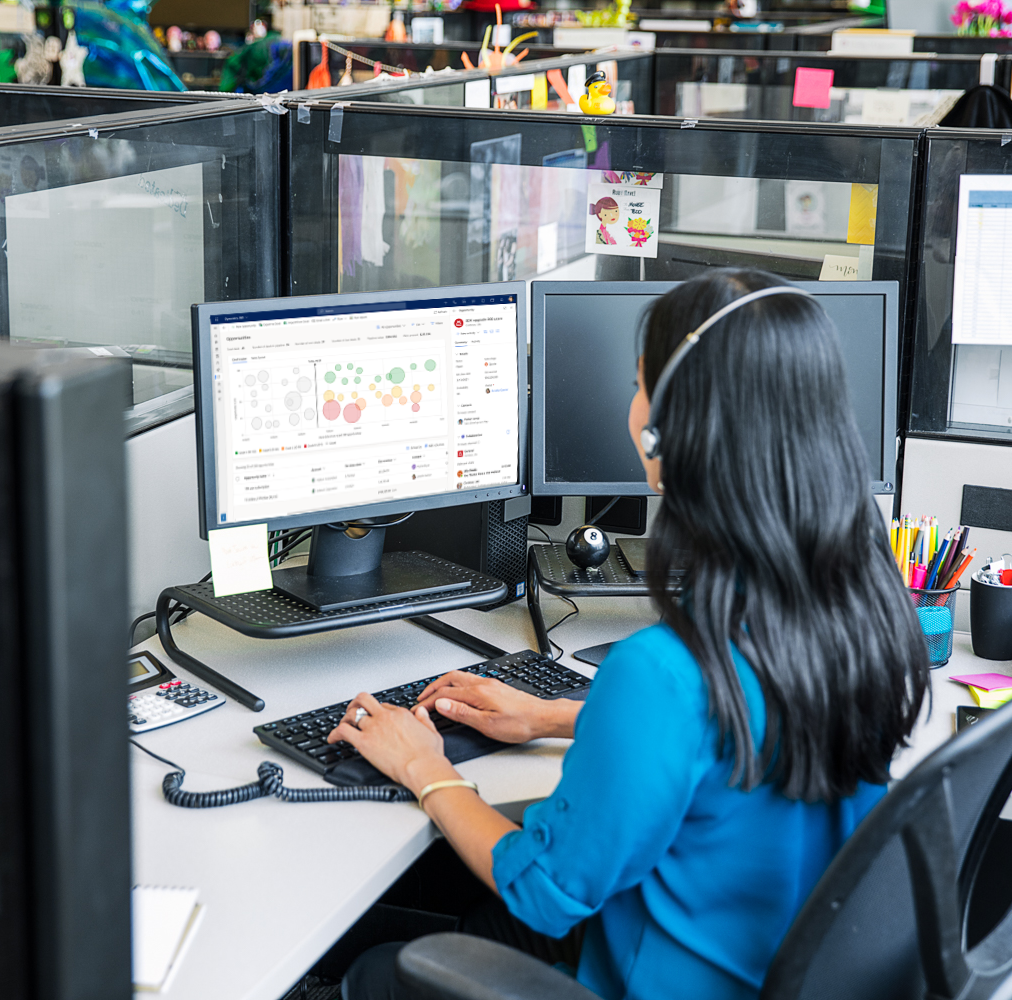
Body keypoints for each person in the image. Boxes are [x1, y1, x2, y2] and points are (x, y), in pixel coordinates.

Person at [330, 268, 931, 1000]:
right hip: (763, 961)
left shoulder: (664, 671)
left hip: (664, 980)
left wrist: (424, 767)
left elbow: (546, 891)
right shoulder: (862, 611)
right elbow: (743, 742)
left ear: (665, 433)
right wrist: (552, 716)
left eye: (640, 383)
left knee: (375, 973)